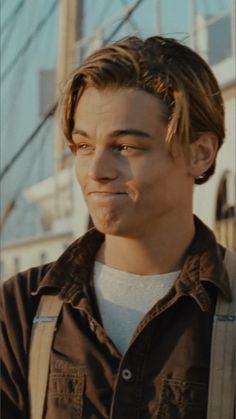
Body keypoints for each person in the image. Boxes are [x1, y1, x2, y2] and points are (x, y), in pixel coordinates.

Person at [0, 36, 235, 419]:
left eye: (125, 147)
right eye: (84, 147)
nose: (96, 171)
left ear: (201, 153)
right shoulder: (20, 310)